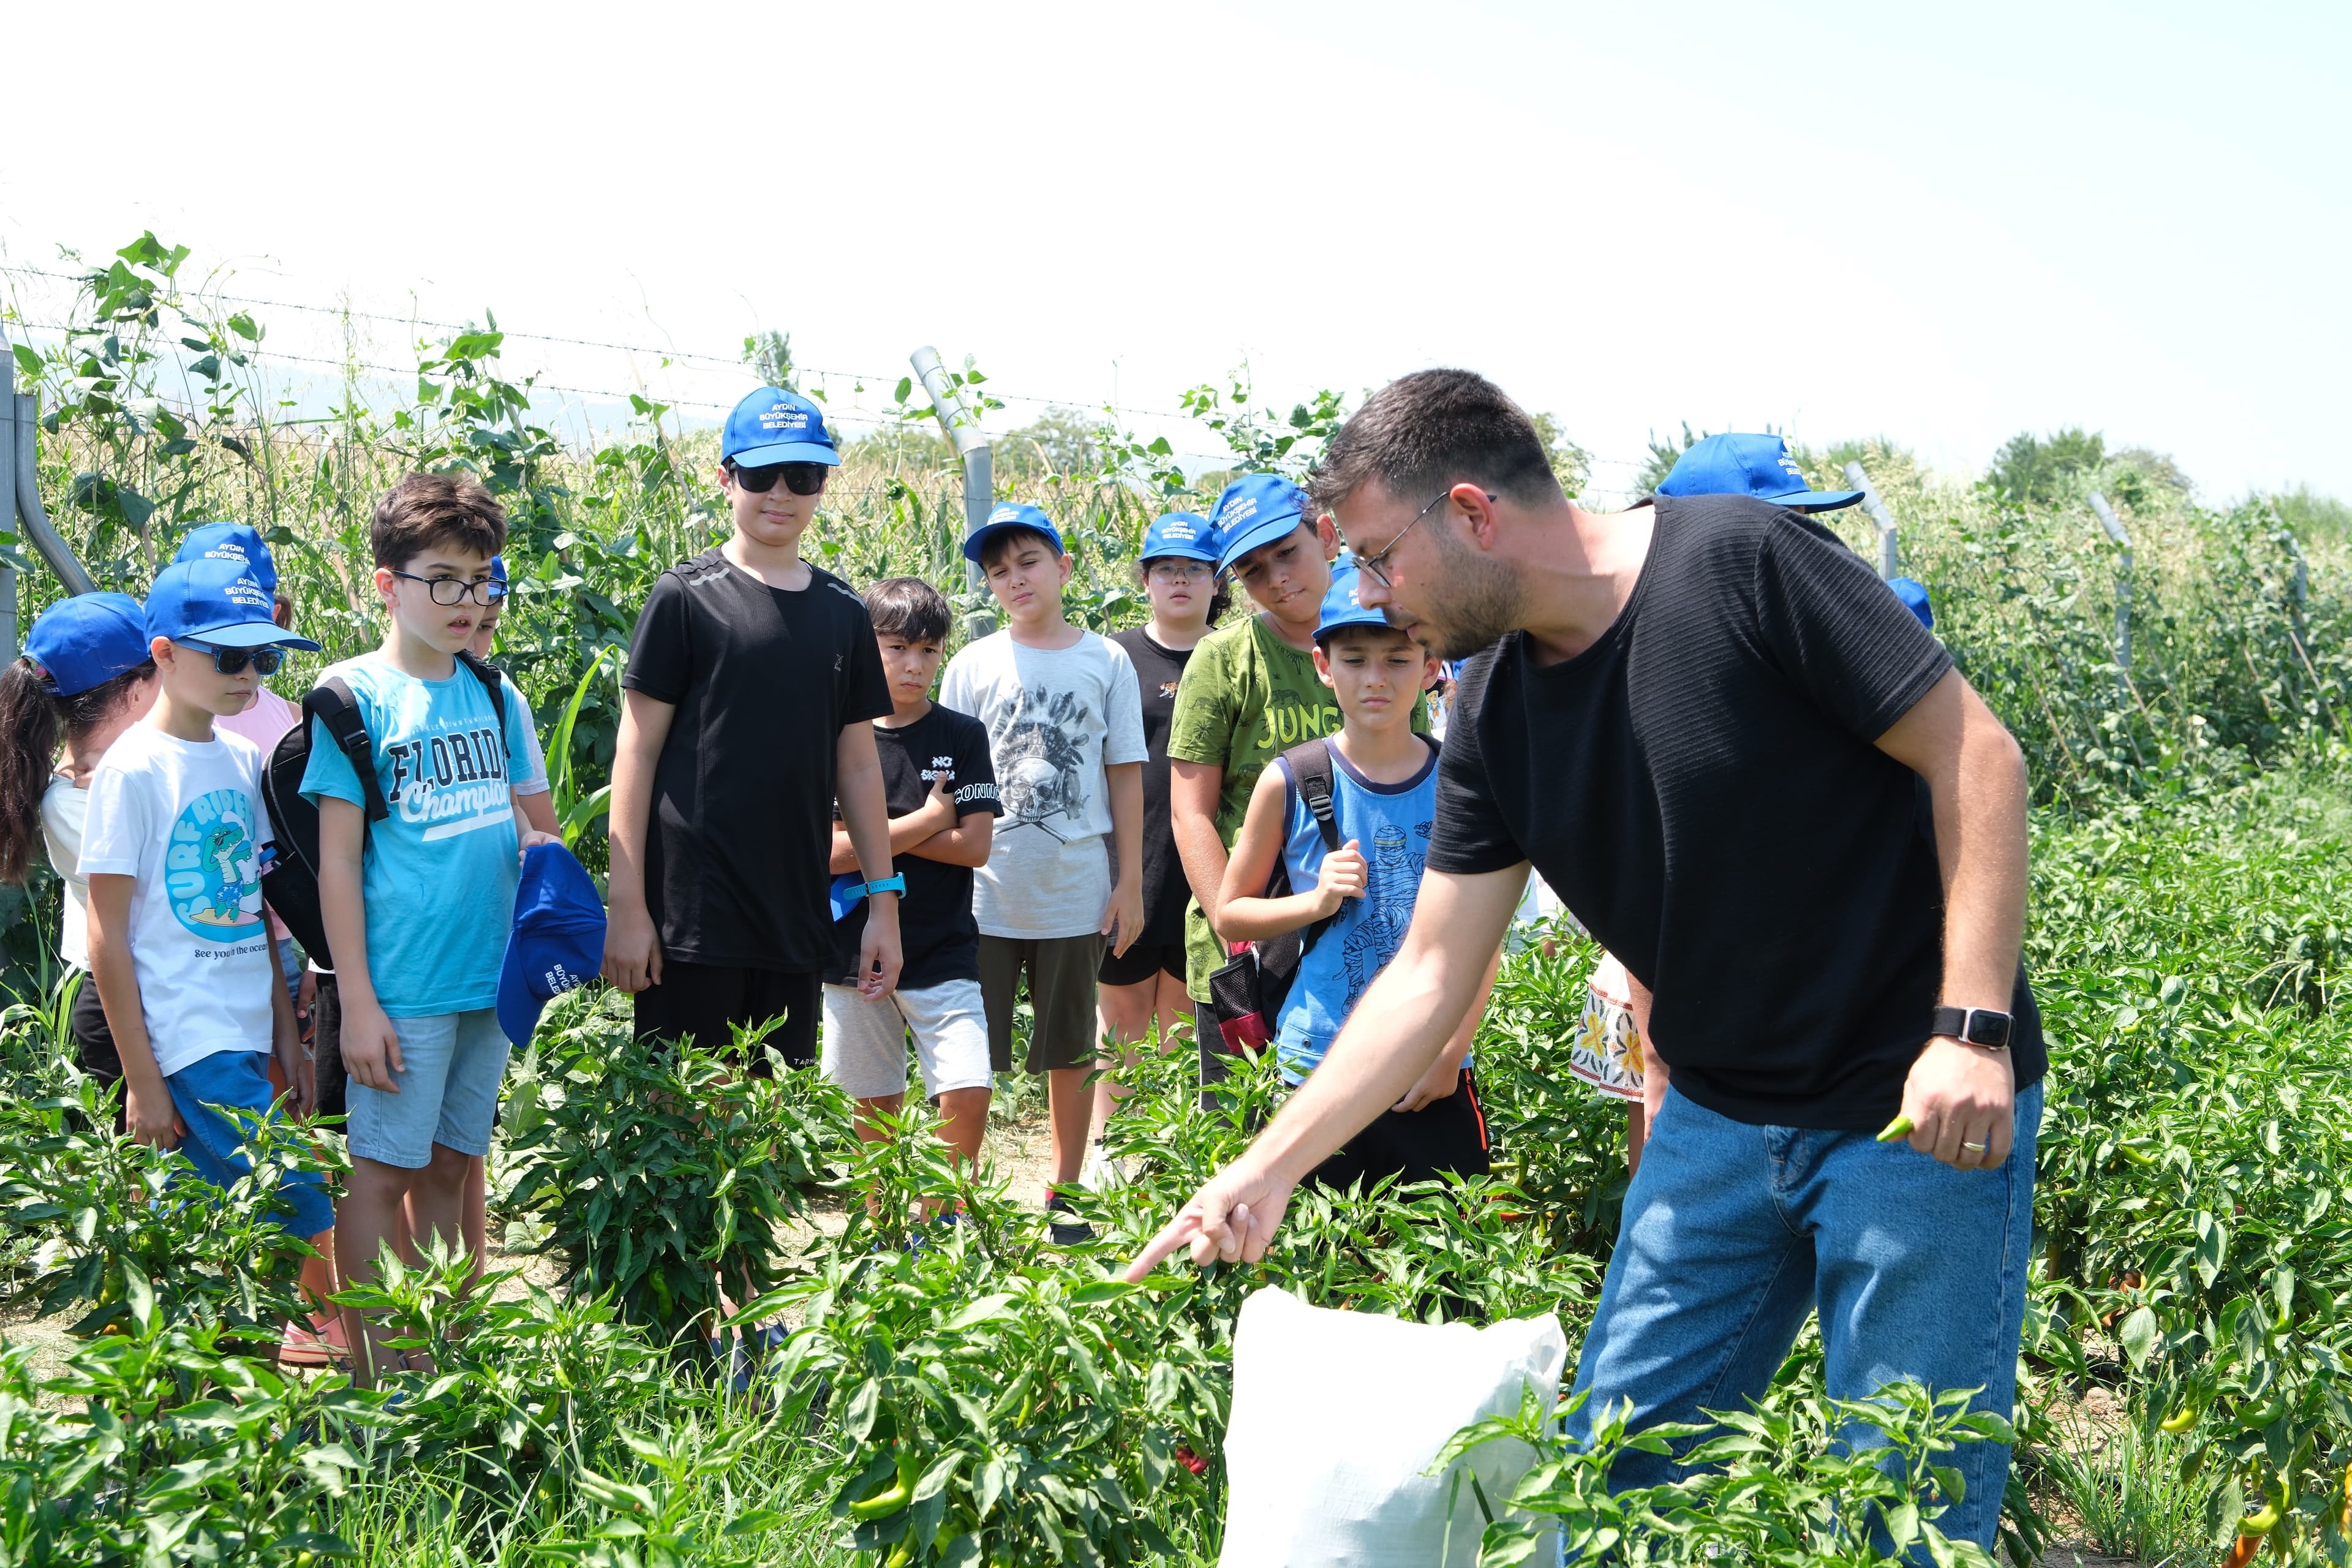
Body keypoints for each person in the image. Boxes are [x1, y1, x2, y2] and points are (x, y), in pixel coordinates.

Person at [1129, 369, 2045, 1552]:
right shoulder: (1497, 711)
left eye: (1373, 558)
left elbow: (1978, 758)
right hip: (1718, 1121)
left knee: (1906, 1504)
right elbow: (1428, 973)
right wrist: (1267, 1168)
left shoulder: (1741, 564)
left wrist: (1969, 1028)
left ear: (1469, 513)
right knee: (1606, 1484)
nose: (1362, 596)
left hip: (1909, 1112)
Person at [301, 472, 557, 1384]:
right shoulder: (351, 697)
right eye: (443, 579)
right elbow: (337, 862)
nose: (466, 601)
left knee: (454, 1166)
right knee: (381, 1171)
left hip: (489, 983)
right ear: (387, 584)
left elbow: (539, 826)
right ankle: (377, 1374)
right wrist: (357, 1001)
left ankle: (445, 1361)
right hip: (400, 988)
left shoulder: (496, 696)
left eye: (483, 580)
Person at [602, 385, 902, 1071]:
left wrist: (883, 904)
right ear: (725, 478)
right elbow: (636, 752)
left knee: (770, 1138)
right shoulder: (685, 596)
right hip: (691, 922)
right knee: (682, 1127)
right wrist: (628, 905)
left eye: (803, 475)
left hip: (794, 920)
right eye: (761, 474)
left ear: (823, 483)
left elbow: (857, 766)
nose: (781, 493)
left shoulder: (842, 612)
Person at [77, 560, 335, 1344]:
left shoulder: (241, 760)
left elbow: (254, 910)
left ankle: (200, 1413)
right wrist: (144, 1082)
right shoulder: (130, 770)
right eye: (230, 657)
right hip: (187, 1044)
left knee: (198, 1241)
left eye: (266, 657)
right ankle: (328, 1372)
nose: (250, 674)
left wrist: (287, 1041)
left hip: (245, 1036)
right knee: (306, 1200)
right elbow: (104, 937)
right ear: (163, 655)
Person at [1213, 564, 1491, 1189]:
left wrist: (1450, 1054)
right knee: (1318, 1264)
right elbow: (1230, 913)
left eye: (1397, 660)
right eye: (1356, 659)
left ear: (1430, 669)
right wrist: (1315, 900)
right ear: (1323, 665)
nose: (1375, 679)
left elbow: (1484, 940)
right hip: (1317, 1067)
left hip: (1431, 1067)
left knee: (1451, 1272)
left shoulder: (1463, 782)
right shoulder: (1291, 780)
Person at [1165, 474, 1425, 1095]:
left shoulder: (1390, 641)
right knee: (1245, 1138)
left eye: (1288, 552)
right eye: (1253, 571)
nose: (1277, 577)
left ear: (1328, 536)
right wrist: (1237, 934)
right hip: (1249, 953)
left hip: (1369, 943)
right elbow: (1190, 812)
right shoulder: (1224, 659)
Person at [939, 503, 1145, 1245]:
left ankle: (1066, 1190)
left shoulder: (1105, 660)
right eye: (999, 571)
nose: (1014, 579)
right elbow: (948, 779)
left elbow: (1124, 774)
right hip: (983, 895)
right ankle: (955, 1201)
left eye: (1028, 562)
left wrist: (1130, 883)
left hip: (1073, 890)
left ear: (1062, 566)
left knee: (1071, 1051)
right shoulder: (971, 665)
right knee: (968, 1058)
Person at [819, 576, 1000, 1184]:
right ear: (865, 647)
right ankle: (882, 1232)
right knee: (871, 1105)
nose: (913, 664)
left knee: (969, 1087)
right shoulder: (837, 736)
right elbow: (827, 855)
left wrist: (871, 833)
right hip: (851, 951)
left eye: (928, 650)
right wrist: (925, 818)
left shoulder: (962, 735)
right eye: (896, 647)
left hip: (944, 947)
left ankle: (940, 1221)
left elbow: (975, 846)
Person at [1087, 510, 1225, 1186]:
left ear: (1214, 580)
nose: (1179, 580)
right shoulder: (1113, 658)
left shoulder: (1231, 656)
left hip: (1206, 875)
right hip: (1129, 869)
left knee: (1182, 1032)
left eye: (1194, 568)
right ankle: (1109, 1167)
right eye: (1166, 568)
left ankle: (1168, 1174)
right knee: (1120, 1027)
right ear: (1145, 579)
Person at [0, 593, 159, 1115]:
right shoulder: (69, 802)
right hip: (124, 1005)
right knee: (151, 1177)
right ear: (136, 692)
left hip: (163, 988)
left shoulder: (137, 769)